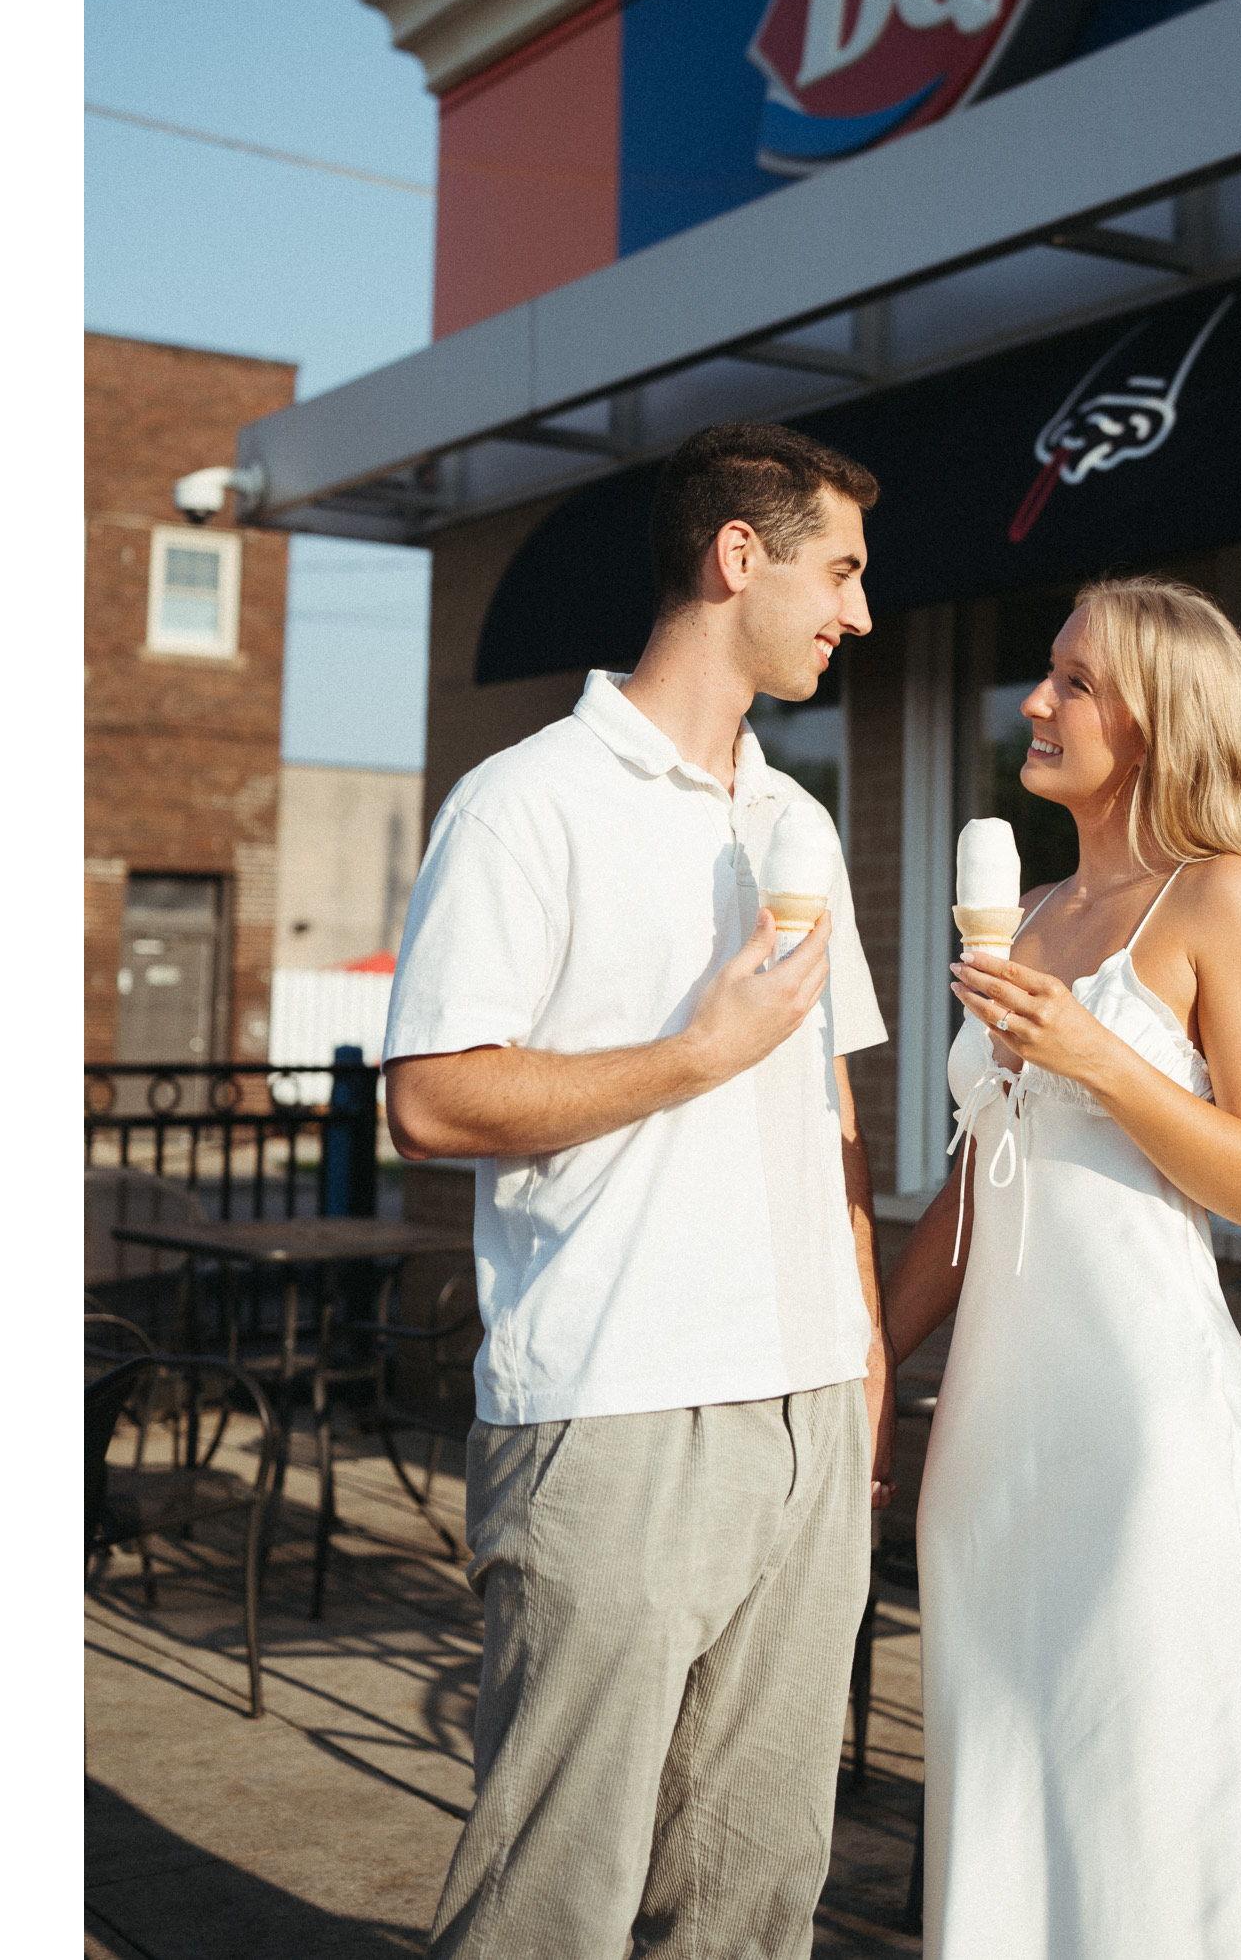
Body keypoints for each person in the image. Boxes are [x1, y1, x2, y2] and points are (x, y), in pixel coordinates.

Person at [385, 421, 896, 1960]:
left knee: (752, 1904)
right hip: (614, 1413)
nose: (859, 612)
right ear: (739, 557)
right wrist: (688, 1055)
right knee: (552, 1905)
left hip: (806, 1412)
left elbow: (831, 1110)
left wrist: (863, 1349)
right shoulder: (524, 803)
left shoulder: (795, 819)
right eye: (842, 570)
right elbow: (429, 1096)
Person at [884, 575, 1241, 1959]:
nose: (1037, 700)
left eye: (1076, 680)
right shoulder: (1029, 916)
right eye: (1049, 672)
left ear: (1161, 722)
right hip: (993, 1450)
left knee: (1148, 1842)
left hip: (1152, 1454)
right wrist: (866, 1359)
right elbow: (981, 1177)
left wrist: (1096, 1056)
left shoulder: (1225, 902)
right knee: (1004, 1822)